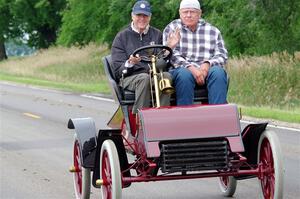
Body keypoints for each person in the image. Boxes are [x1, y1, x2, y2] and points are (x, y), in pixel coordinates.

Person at [111, 0, 172, 114]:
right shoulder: (122, 37)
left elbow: (161, 62)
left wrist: (169, 49)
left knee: (166, 76)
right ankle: (139, 118)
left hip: (152, 75)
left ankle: (163, 115)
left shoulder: (157, 34)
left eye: (145, 15)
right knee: (143, 79)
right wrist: (130, 63)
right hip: (129, 77)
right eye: (139, 15)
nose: (142, 19)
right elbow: (118, 71)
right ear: (132, 16)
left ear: (150, 17)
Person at [163, 0, 228, 105]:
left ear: (199, 13)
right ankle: (185, 116)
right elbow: (171, 54)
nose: (188, 15)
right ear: (180, 13)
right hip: (182, 69)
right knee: (184, 75)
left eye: (192, 12)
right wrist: (191, 68)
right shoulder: (172, 28)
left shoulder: (212, 30)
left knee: (218, 73)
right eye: (185, 12)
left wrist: (207, 64)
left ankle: (217, 116)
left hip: (206, 70)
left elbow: (222, 54)